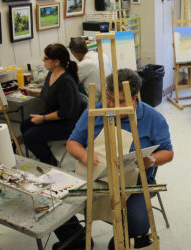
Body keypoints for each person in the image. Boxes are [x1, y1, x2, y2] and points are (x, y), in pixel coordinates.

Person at [52, 69, 174, 250]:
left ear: (135, 98)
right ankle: (76, 237)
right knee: (54, 201)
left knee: (139, 222)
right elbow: (72, 143)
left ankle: (120, 241)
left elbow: (168, 153)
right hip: (93, 178)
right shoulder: (96, 112)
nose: (112, 104)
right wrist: (84, 155)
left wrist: (152, 160)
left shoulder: (152, 118)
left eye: (121, 101)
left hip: (132, 185)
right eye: (109, 98)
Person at [19, 43, 83, 165]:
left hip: (67, 123)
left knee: (29, 137)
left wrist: (43, 118)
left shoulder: (65, 82)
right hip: (54, 117)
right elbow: (47, 93)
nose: (43, 60)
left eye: (46, 58)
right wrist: (31, 92)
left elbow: (65, 112)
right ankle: (44, 152)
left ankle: (49, 162)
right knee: (25, 125)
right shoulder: (51, 73)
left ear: (56, 62)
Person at [69, 37, 112, 101]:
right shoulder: (103, 55)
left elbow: (71, 81)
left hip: (96, 101)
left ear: (76, 54)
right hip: (109, 95)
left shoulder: (83, 65)